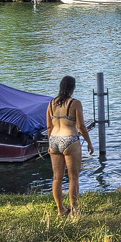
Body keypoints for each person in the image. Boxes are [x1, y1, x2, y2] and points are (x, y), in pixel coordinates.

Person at [46, 76, 94, 216]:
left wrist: (50, 143)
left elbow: (49, 126)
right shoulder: (75, 103)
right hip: (70, 140)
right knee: (73, 177)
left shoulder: (51, 104)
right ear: (72, 88)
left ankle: (61, 210)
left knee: (57, 178)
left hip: (54, 140)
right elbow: (81, 126)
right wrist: (89, 143)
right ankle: (73, 209)